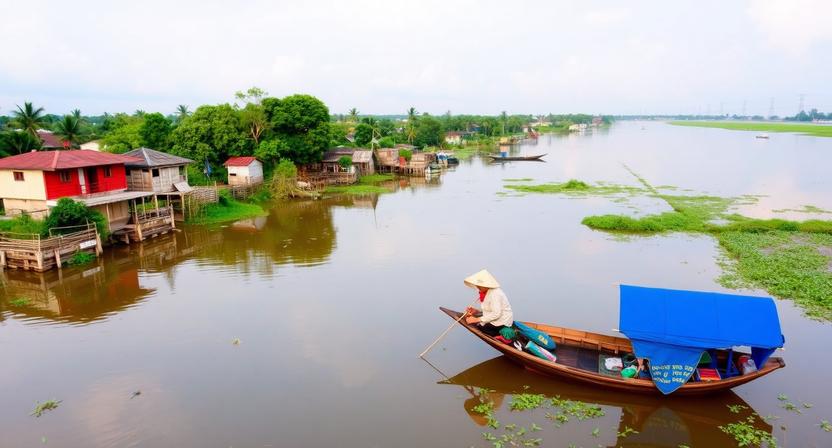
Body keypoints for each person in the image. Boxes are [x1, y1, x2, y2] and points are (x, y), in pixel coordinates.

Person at [463, 269, 513, 337]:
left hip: (501, 322)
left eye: (480, 285)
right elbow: (490, 310)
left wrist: (476, 319)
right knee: (474, 319)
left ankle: (502, 334)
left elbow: (496, 314)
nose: (478, 287)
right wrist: (476, 311)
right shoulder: (485, 292)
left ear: (487, 285)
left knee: (480, 327)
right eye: (477, 285)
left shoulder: (495, 294)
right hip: (496, 317)